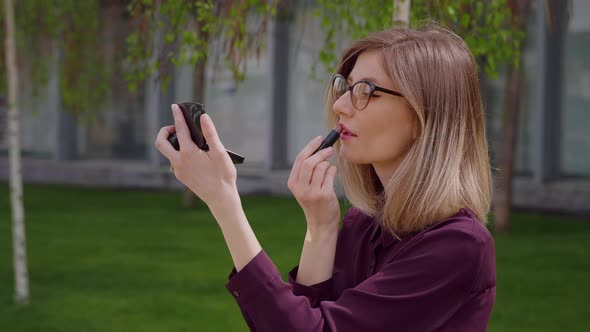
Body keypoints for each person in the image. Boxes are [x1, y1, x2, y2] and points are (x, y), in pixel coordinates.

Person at [155, 22, 496, 332]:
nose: (340, 106)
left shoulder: (459, 247)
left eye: (367, 91)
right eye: (345, 87)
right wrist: (320, 229)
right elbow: (300, 318)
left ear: (426, 116)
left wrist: (223, 201)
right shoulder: (364, 223)